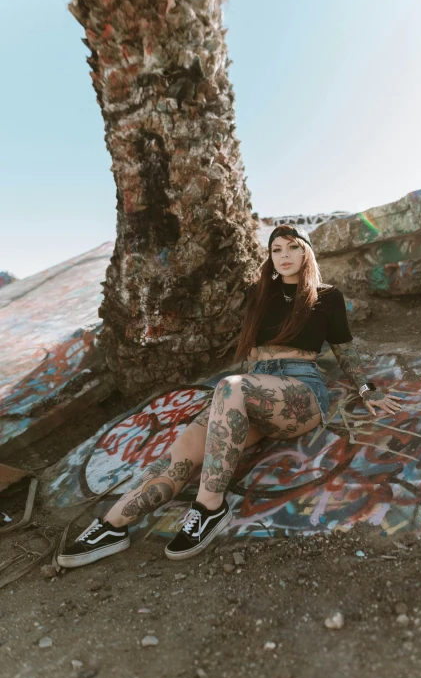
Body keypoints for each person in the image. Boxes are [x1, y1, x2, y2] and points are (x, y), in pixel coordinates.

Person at [57, 225, 402, 568]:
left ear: (305, 252)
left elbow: (344, 349)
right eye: (276, 249)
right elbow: (252, 356)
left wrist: (365, 389)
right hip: (253, 389)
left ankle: (209, 507)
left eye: (292, 247)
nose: (283, 255)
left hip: (300, 390)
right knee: (184, 449)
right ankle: (112, 526)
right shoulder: (260, 294)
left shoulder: (328, 296)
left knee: (230, 386)